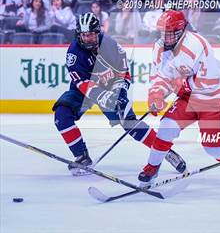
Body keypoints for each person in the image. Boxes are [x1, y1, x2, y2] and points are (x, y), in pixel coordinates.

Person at [52, 12, 186, 176]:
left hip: (110, 87)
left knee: (130, 123)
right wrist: (103, 97)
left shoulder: (111, 46)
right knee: (62, 115)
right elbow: (82, 83)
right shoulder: (73, 53)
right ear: (78, 35)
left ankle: (166, 151)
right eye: (84, 35)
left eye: (91, 34)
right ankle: (82, 156)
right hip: (83, 90)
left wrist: (120, 94)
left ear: (98, 32)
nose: (88, 38)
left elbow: (124, 74)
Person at [138, 10, 220, 184]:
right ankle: (152, 168)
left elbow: (208, 82)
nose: (166, 38)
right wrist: (156, 94)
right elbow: (160, 76)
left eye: (171, 34)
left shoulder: (196, 45)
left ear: (182, 30)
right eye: (163, 33)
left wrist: (175, 85)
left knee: (213, 148)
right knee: (166, 126)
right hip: (187, 98)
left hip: (213, 99)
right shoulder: (159, 48)